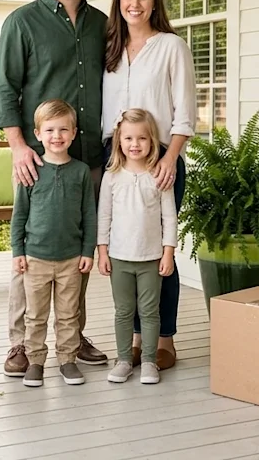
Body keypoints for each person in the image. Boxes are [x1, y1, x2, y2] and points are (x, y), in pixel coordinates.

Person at [0, 0, 110, 376]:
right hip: (37, 159)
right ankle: (20, 344)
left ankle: (71, 337)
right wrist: (18, 145)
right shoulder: (22, 22)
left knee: (76, 250)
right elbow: (5, 87)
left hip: (88, 159)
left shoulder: (102, 24)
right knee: (32, 254)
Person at [100, 0, 197, 372]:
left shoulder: (171, 46)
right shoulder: (109, 49)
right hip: (116, 156)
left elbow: (185, 111)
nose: (134, 4)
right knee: (126, 249)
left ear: (154, 1)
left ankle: (164, 340)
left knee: (160, 253)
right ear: (118, 3)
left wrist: (170, 158)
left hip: (159, 154)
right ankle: (135, 341)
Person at [11, 99, 97, 388]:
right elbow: (19, 215)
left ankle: (67, 360)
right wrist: (17, 252)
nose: (56, 136)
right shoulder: (31, 170)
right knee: (35, 315)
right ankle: (35, 362)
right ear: (37, 134)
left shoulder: (81, 172)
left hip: (71, 259)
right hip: (35, 258)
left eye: (63, 130)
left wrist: (88, 252)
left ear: (73, 133)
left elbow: (89, 215)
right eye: (49, 130)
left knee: (68, 314)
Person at [97, 109, 176, 385]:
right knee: (123, 311)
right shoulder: (112, 176)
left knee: (150, 311)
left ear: (152, 141)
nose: (135, 144)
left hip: (151, 259)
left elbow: (169, 217)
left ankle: (150, 361)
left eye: (142, 138)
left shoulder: (159, 176)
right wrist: (102, 251)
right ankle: (123, 360)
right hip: (119, 258)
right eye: (128, 138)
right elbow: (103, 216)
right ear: (119, 140)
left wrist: (168, 252)